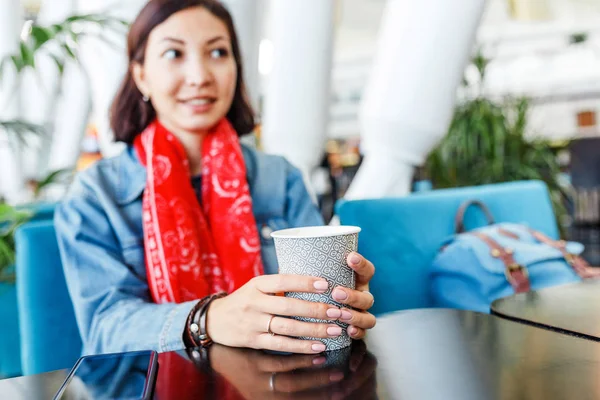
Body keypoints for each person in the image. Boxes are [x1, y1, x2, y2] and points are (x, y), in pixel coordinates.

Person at [55, 0, 376, 357]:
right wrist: (207, 318)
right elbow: (104, 328)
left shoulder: (280, 179)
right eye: (174, 53)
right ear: (141, 74)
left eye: (218, 52)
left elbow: (313, 308)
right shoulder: (96, 196)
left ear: (237, 68)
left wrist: (338, 299)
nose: (199, 76)